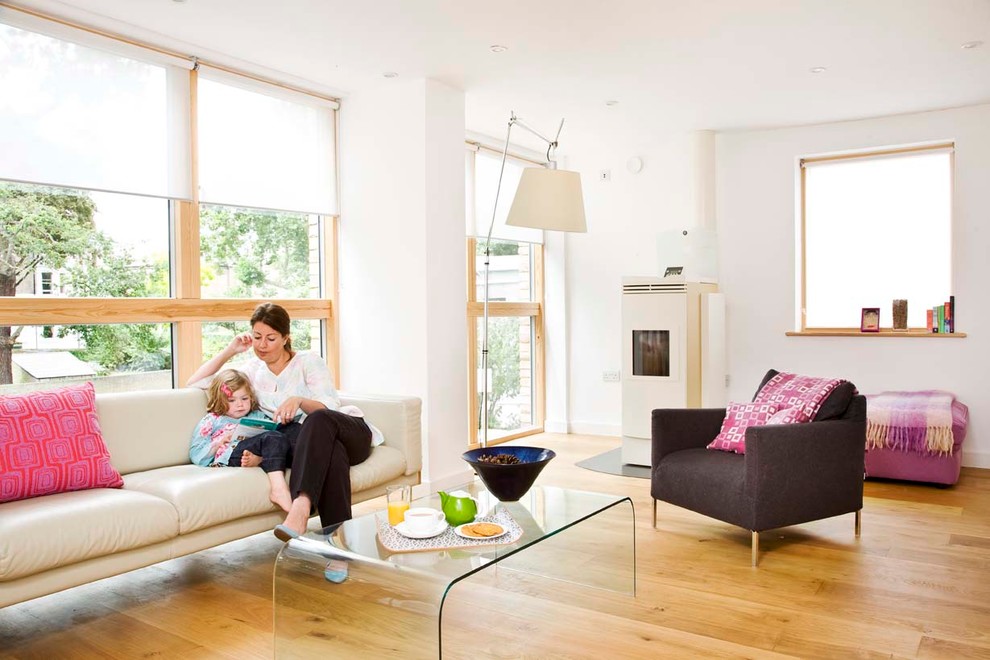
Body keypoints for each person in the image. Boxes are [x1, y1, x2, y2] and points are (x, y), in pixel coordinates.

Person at [186, 302, 380, 539]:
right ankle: (336, 545)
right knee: (331, 453)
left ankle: (300, 507)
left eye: (270, 338)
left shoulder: (308, 361)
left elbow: (331, 407)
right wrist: (230, 350)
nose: (262, 345)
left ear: (286, 337)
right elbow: (195, 383)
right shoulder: (252, 370)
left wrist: (299, 401)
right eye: (257, 337)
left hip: (347, 432)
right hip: (307, 444)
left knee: (317, 420)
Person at [188, 369, 293, 512]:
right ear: (220, 400)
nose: (240, 404)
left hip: (257, 446)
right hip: (231, 453)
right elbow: (196, 454)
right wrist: (218, 443)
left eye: (244, 399)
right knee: (273, 438)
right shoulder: (212, 420)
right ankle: (279, 490)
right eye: (232, 400)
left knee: (288, 432)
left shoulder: (257, 415)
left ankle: (260, 459)